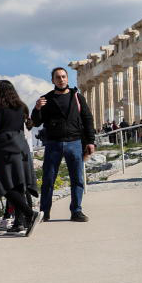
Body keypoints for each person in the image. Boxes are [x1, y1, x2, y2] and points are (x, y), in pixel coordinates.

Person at [32, 67, 96, 222]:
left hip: (74, 142)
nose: (61, 79)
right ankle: (44, 212)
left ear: (67, 78)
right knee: (48, 180)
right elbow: (35, 122)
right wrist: (37, 108)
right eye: (58, 77)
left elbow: (88, 119)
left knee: (78, 179)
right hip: (53, 144)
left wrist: (91, 141)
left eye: (63, 76)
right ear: (53, 80)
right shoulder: (45, 99)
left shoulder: (77, 97)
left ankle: (76, 211)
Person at [0, 80, 41, 235]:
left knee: (2, 184)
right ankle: (22, 221)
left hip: (6, 149)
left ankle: (30, 214)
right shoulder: (20, 106)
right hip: (21, 147)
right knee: (17, 186)